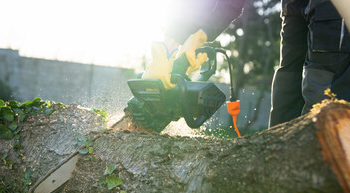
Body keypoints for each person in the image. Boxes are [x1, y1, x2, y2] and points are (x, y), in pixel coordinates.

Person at [143, 0, 350, 127]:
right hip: (295, 4)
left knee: (323, 93)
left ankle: (323, 187)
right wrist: (178, 39)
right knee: (287, 90)